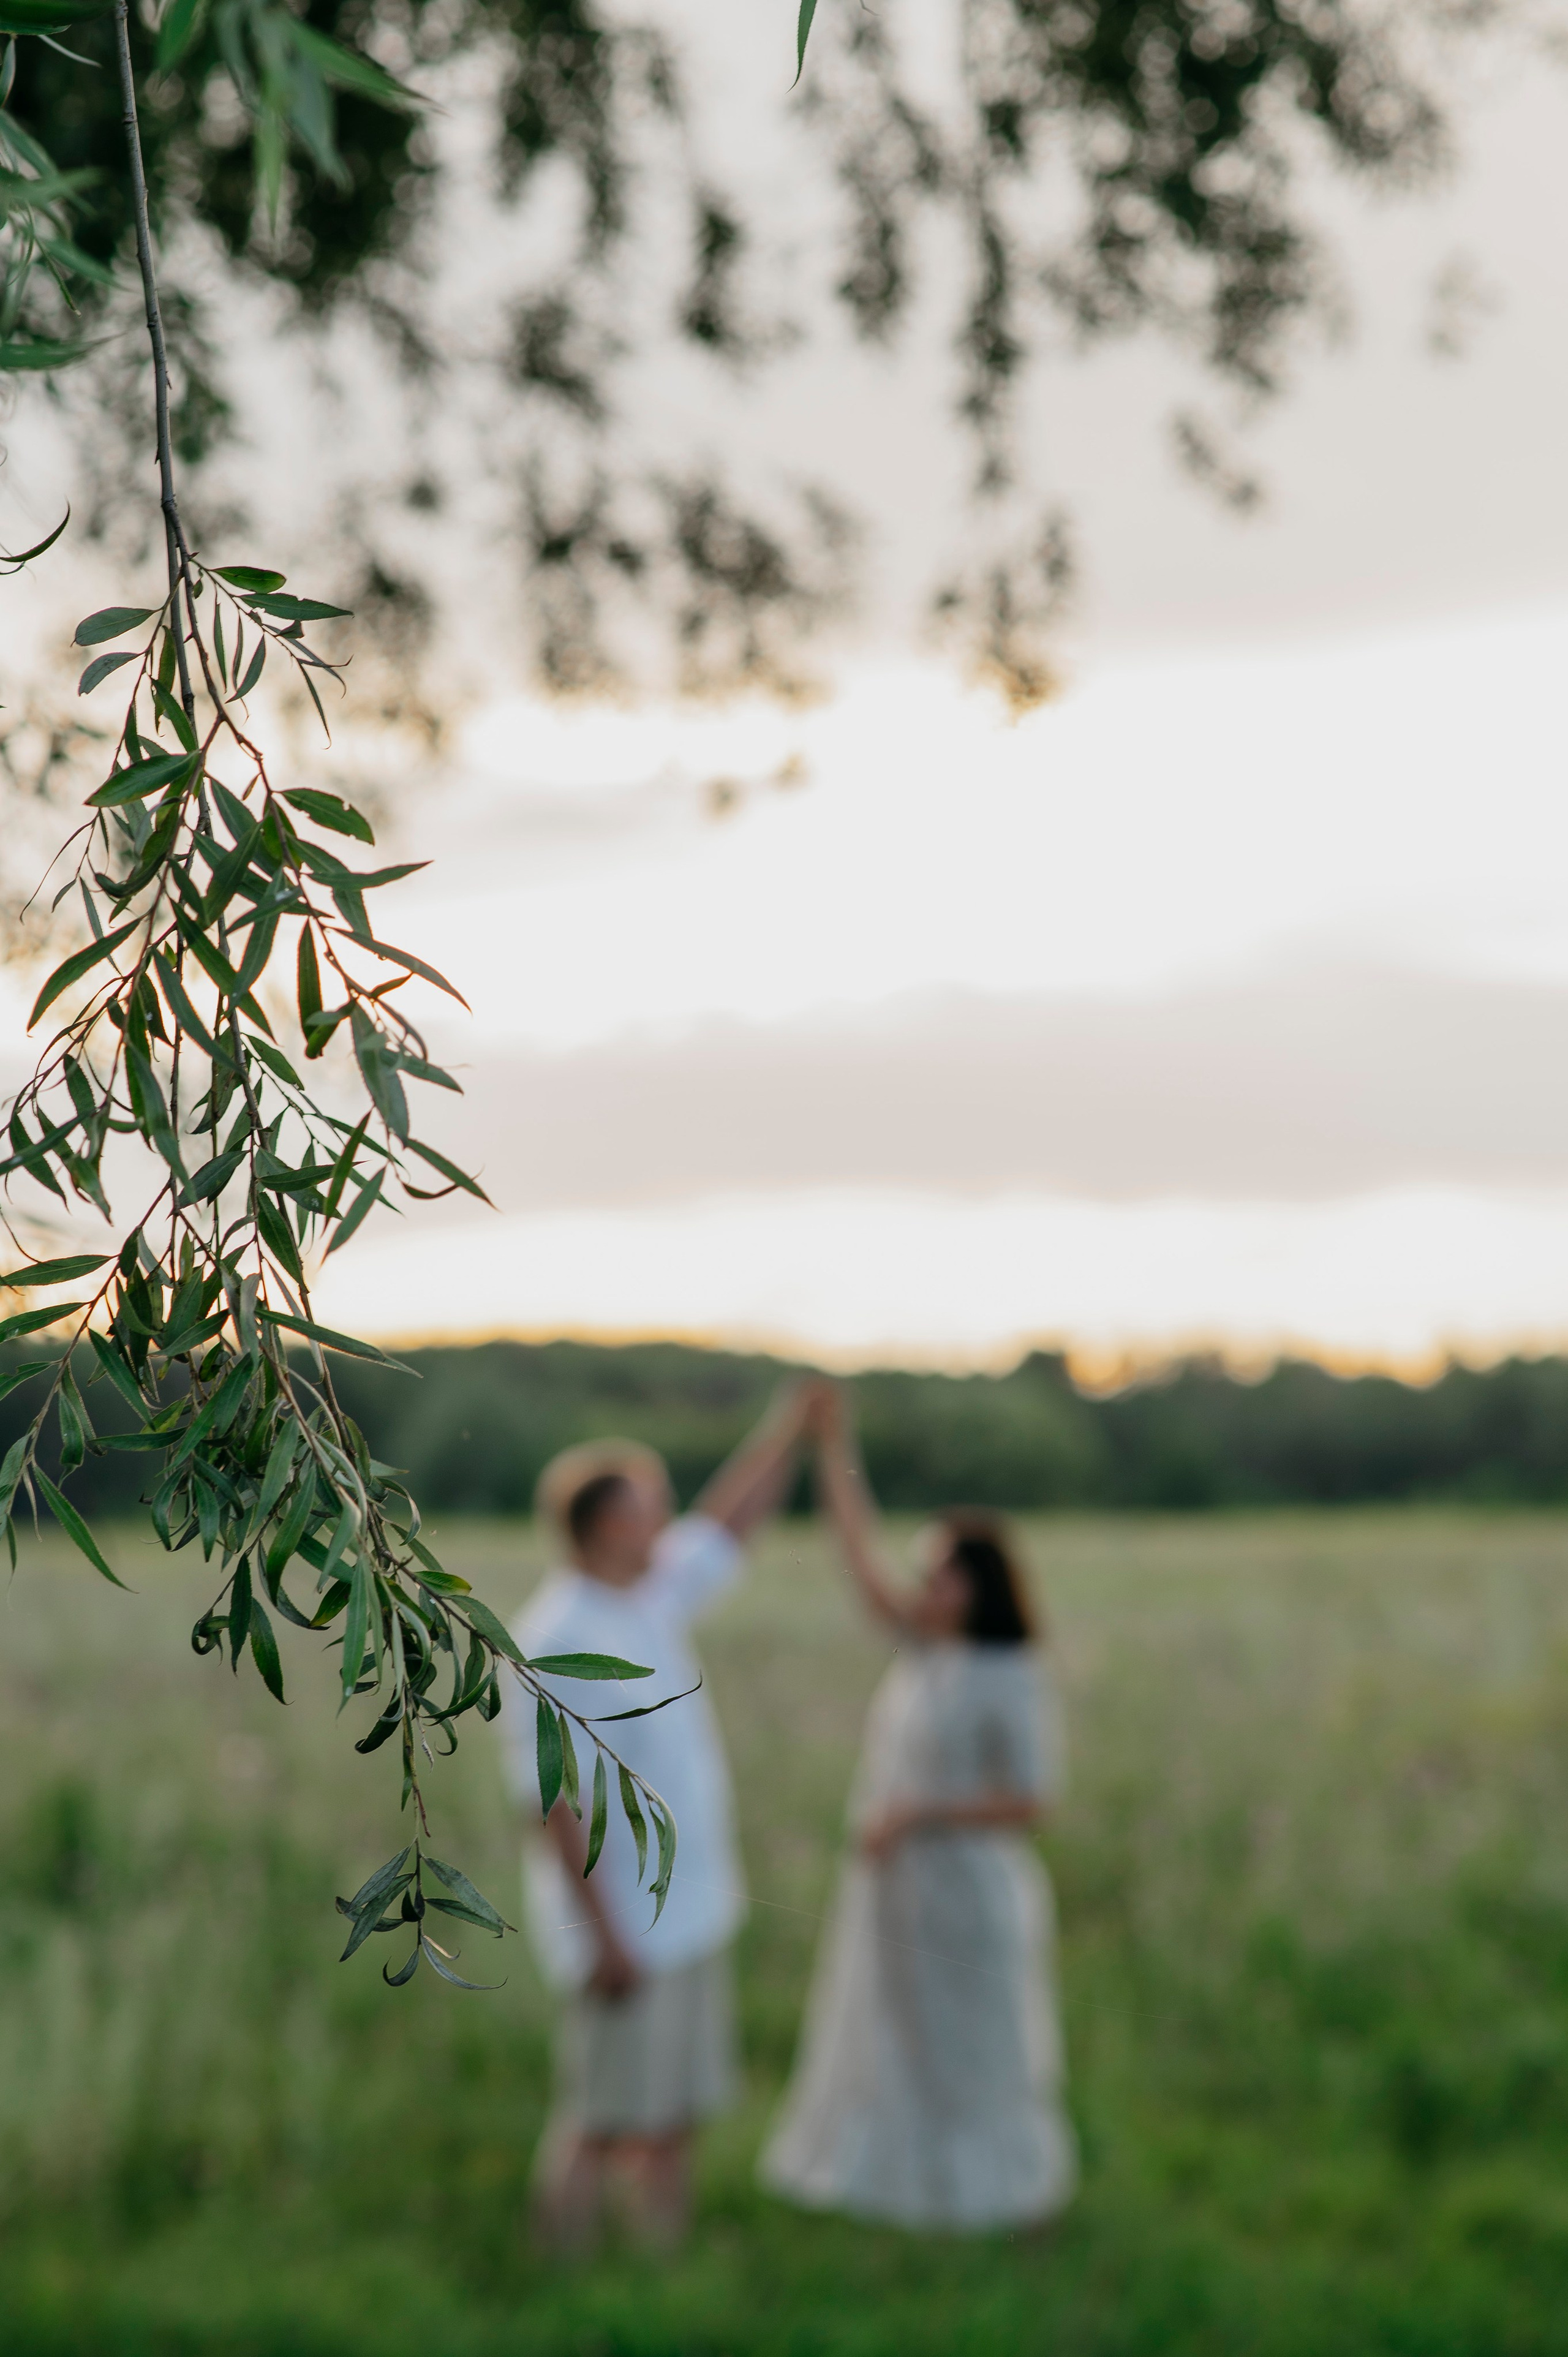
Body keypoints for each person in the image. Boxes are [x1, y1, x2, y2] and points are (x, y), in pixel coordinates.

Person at [506, 1381, 819, 2252]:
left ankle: (660, 2270)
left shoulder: (647, 1593)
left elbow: (729, 1525)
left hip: (691, 1913)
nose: (668, 1519)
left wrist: (789, 1429)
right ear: (608, 1525)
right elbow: (547, 1803)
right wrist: (599, 1936)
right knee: (600, 2118)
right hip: (624, 1927)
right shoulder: (555, 1637)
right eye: (652, 1506)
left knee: (674, 2111)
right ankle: (558, 2276)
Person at [760, 1389, 1077, 2232]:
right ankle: (914, 2201)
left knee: (977, 2047)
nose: (922, 1585)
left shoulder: (1010, 1672)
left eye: (939, 1573)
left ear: (979, 1585)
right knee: (897, 2042)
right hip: (898, 1888)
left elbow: (1031, 1801)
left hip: (968, 1890)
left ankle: (1008, 2202)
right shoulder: (926, 1645)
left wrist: (915, 1816)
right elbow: (858, 1556)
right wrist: (833, 1446)